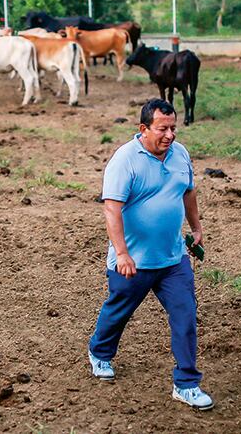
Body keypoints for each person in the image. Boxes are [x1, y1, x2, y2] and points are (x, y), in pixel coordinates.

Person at [87, 98, 213, 411]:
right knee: (119, 310)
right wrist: (122, 254)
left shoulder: (180, 153)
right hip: (133, 262)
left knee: (185, 316)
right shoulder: (125, 160)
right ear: (144, 129)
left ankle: (186, 383)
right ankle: (100, 352)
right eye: (162, 129)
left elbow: (188, 192)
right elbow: (112, 209)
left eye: (173, 128)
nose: (170, 135)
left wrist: (196, 227)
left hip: (173, 259)